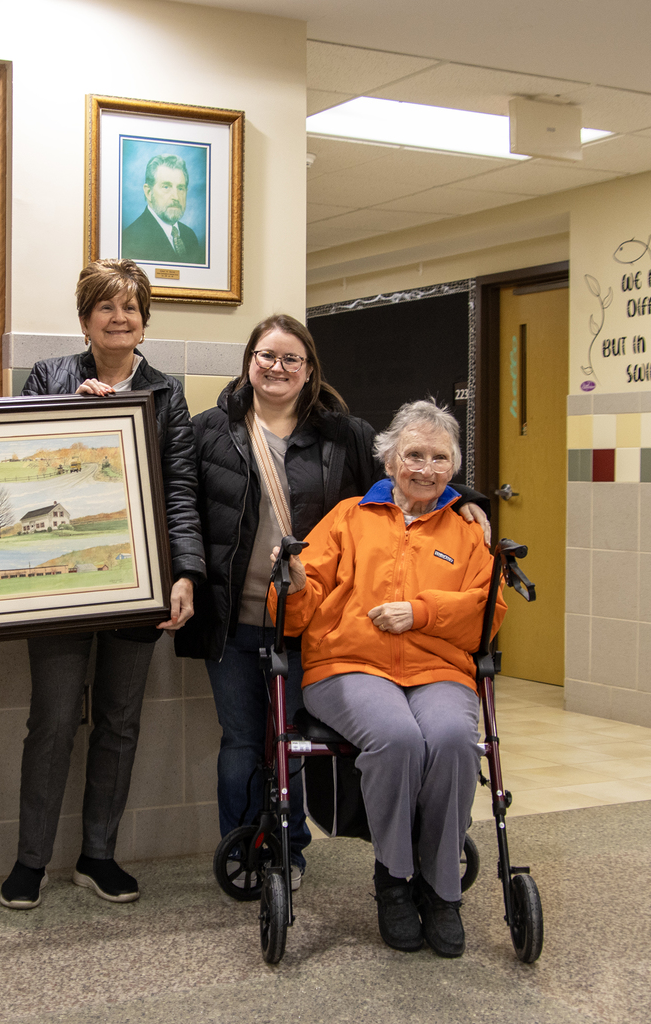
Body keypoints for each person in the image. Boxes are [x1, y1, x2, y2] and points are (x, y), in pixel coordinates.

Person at [174, 314, 490, 891]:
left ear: (310, 370)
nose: (278, 367)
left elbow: (408, 479)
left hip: (306, 615)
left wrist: (466, 499)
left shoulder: (342, 433)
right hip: (232, 615)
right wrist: (187, 575)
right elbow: (184, 509)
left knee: (291, 737)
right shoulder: (210, 431)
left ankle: (289, 852)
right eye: (267, 355)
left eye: (292, 359)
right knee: (243, 740)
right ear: (249, 360)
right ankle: (248, 850)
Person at [0, 259, 205, 910]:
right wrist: (73, 414)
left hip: (139, 578)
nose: (121, 318)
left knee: (119, 722)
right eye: (108, 307)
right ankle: (30, 860)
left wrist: (186, 573)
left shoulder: (168, 392)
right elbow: (23, 472)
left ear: (146, 318)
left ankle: (98, 855)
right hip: (63, 581)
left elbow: (180, 491)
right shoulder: (49, 378)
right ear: (86, 317)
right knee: (53, 720)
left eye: (132, 307)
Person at [272, 399, 506, 958]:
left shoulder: (469, 529)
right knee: (398, 738)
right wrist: (294, 584)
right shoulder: (349, 516)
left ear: (454, 467)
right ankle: (394, 881)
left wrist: (420, 612)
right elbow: (297, 613)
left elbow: (488, 611)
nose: (425, 468)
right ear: (389, 459)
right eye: (414, 455)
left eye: (439, 458)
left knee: (451, 740)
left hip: (437, 668)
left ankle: (441, 890)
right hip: (348, 665)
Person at [121, 154, 205, 265]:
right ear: (148, 192)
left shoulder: (189, 236)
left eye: (180, 188)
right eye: (166, 187)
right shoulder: (131, 238)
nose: (175, 196)